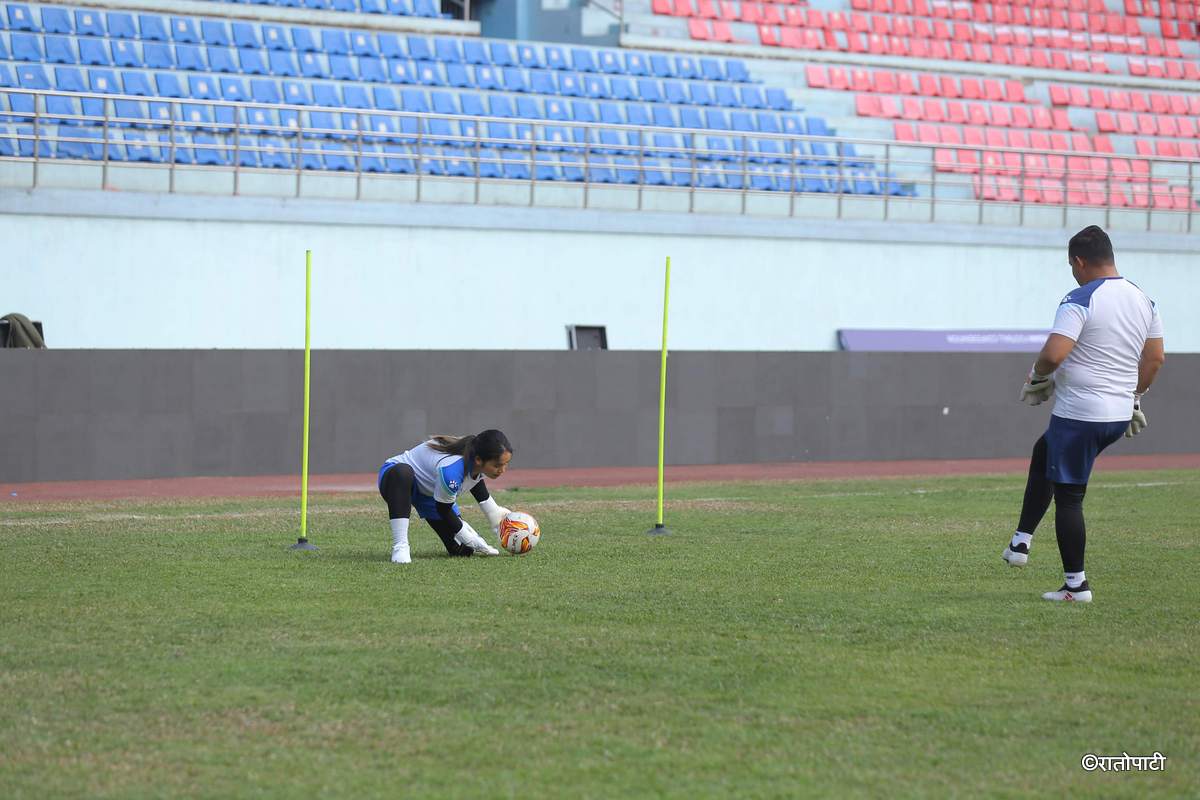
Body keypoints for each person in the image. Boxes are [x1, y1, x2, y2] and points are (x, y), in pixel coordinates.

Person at [1004, 226, 1165, 602]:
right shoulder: (1144, 299)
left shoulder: (1080, 297)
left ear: (1078, 261)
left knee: (1070, 497)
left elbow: (1054, 353)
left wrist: (1038, 376)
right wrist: (1136, 397)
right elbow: (1155, 358)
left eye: (1071, 264)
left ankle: (1076, 586)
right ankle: (1020, 542)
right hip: (1117, 413)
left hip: (1081, 413)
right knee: (1045, 451)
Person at [377, 429, 513, 563]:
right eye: (498, 465)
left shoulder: (478, 460)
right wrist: (465, 534)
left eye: (506, 464)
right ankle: (400, 546)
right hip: (395, 480)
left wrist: (493, 513)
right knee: (402, 472)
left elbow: (474, 480)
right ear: (478, 460)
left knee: (463, 550)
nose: (502, 470)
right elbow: (443, 508)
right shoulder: (451, 471)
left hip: (430, 493)